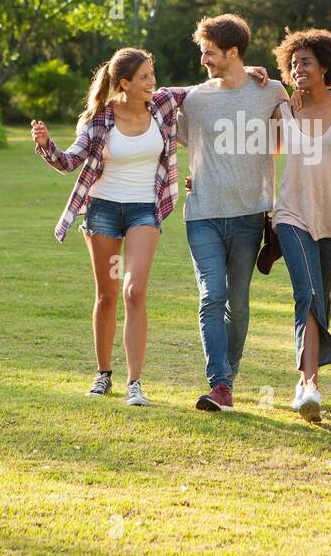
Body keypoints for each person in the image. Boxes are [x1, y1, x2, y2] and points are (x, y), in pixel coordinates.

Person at [30, 48, 267, 406]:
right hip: (104, 212)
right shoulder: (99, 119)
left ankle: (135, 382)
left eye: (152, 74)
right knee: (107, 294)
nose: (152, 82)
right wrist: (47, 146)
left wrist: (243, 70)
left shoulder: (164, 104)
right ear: (123, 83)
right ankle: (103, 374)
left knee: (134, 291)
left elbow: (206, 87)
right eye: (144, 77)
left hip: (145, 210)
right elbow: (69, 162)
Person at [179, 14, 289, 412]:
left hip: (248, 216)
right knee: (213, 296)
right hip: (203, 214)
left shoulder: (271, 91)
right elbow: (152, 108)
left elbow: (310, 119)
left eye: (209, 53)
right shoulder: (193, 99)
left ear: (233, 52)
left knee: (237, 304)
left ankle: (229, 376)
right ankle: (220, 383)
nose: (204, 60)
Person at [268, 28, 331, 423]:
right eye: (293, 63)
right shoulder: (284, 108)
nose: (298, 69)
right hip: (292, 214)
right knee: (308, 293)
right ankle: (308, 385)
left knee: (322, 298)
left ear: (326, 67)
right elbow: (261, 152)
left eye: (306, 62)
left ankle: (304, 376)